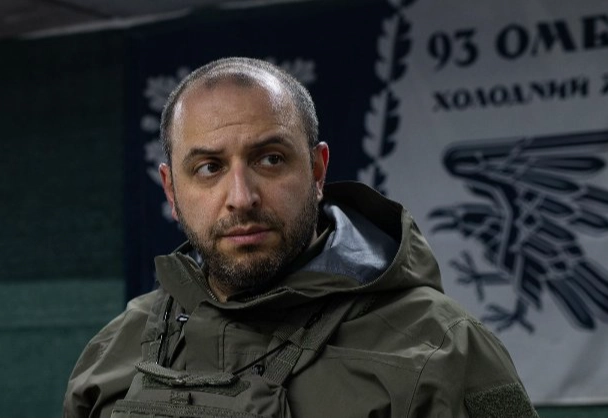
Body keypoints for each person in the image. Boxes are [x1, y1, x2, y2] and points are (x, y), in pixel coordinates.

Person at [63, 57, 539, 418]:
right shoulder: (117, 347)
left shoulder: (443, 350)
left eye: (270, 159)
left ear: (316, 170)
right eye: (209, 168)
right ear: (171, 190)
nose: (241, 197)